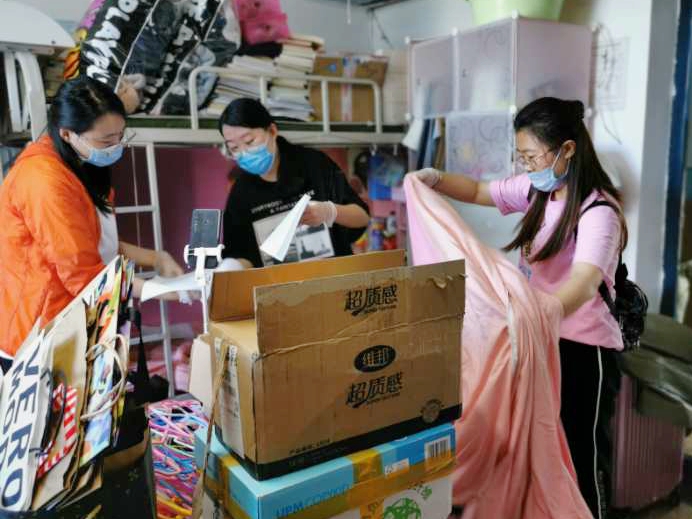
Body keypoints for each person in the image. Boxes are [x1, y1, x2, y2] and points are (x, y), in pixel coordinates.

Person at [412, 97, 625, 519]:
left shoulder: (599, 211)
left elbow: (585, 282)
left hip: (582, 350)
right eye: (522, 157)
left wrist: (543, 311)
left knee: (579, 455)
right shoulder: (537, 191)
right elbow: (478, 191)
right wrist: (432, 179)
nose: (526, 166)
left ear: (567, 149)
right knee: (537, 451)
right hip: (537, 340)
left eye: (532, 156)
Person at [0, 76, 183, 369]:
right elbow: (81, 272)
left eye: (121, 136)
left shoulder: (80, 163)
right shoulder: (43, 181)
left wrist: (156, 258)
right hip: (39, 334)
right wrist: (155, 290)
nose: (116, 146)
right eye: (106, 141)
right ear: (68, 134)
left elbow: (95, 241)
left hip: (75, 319)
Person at [218, 98, 369, 268]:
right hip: (278, 283)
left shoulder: (313, 164)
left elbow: (362, 217)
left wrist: (330, 211)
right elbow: (240, 254)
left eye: (249, 141)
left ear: (272, 130)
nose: (244, 153)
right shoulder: (241, 192)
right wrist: (231, 267)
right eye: (234, 148)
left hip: (333, 275)